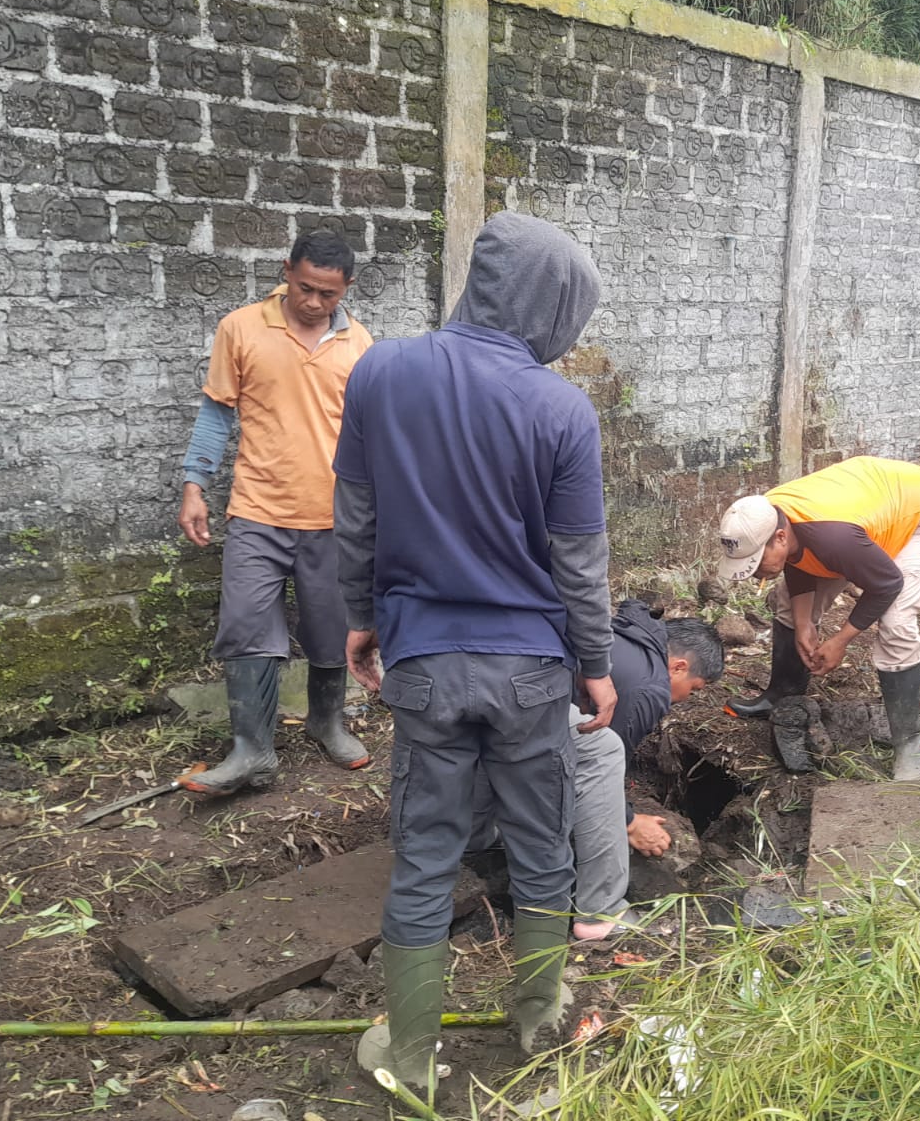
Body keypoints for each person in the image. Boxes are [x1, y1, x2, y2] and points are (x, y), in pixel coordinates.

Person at [332, 213, 615, 1087]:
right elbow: (579, 561)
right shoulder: (562, 409)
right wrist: (595, 665)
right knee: (543, 847)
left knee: (424, 856)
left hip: (422, 665)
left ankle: (411, 1058)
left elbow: (358, 516)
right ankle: (538, 1018)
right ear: (554, 304)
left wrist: (360, 615)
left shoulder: (382, 371)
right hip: (531, 670)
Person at [174, 231, 374, 797]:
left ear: (347, 289)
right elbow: (217, 414)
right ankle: (252, 750)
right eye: (305, 287)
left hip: (334, 519)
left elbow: (372, 436)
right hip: (258, 510)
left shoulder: (360, 345)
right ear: (286, 271)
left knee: (332, 630)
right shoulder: (241, 328)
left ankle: (326, 721)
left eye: (328, 294)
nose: (314, 302)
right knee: (245, 627)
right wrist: (195, 485)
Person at [470, 601, 725, 942]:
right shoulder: (649, 685)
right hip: (522, 698)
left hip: (473, 678)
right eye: (693, 690)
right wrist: (630, 822)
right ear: (679, 667)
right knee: (600, 751)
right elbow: (593, 770)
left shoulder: (623, 635)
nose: (683, 700)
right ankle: (602, 911)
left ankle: (476, 834)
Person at [715, 456, 920, 781]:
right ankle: (783, 695)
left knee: (895, 623)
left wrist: (840, 640)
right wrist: (804, 625)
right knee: (788, 602)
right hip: (859, 518)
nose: (754, 573)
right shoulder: (768, 514)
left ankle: (909, 745)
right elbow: (797, 560)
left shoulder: (833, 539)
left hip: (914, 512)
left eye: (756, 561)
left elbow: (887, 584)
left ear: (780, 537)